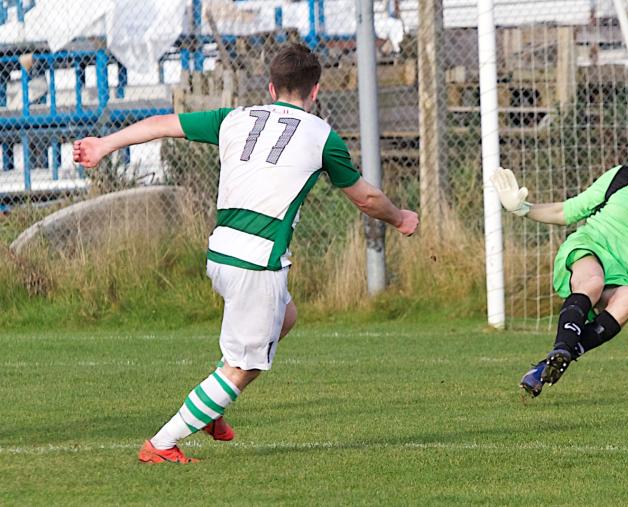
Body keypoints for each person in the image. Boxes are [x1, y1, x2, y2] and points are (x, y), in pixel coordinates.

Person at [72, 43, 419, 462]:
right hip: (257, 263)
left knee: (285, 316)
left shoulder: (235, 117)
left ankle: (211, 409)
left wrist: (104, 145)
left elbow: (163, 123)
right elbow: (365, 199)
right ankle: (162, 444)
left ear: (271, 87)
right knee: (242, 367)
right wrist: (400, 219)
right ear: (316, 91)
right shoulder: (321, 134)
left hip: (220, 253)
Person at [490, 124, 628, 398]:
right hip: (588, 247)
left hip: (621, 274)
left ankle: (546, 367)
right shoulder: (621, 177)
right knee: (594, 281)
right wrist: (522, 209)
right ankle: (562, 348)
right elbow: (568, 211)